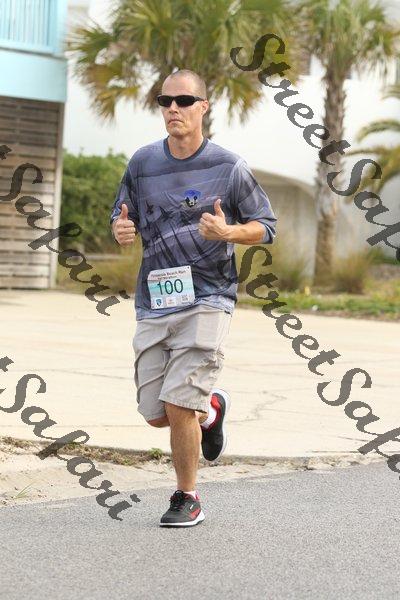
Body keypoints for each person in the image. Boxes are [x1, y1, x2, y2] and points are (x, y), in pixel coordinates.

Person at [110, 69, 277, 527]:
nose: (173, 109)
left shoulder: (229, 166)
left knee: (180, 403)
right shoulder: (142, 163)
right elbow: (121, 214)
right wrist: (120, 228)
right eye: (165, 101)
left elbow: (266, 226)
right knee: (156, 413)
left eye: (183, 101)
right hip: (155, 299)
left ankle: (187, 496)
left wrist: (228, 232)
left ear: (203, 106)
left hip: (209, 297)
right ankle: (212, 410)